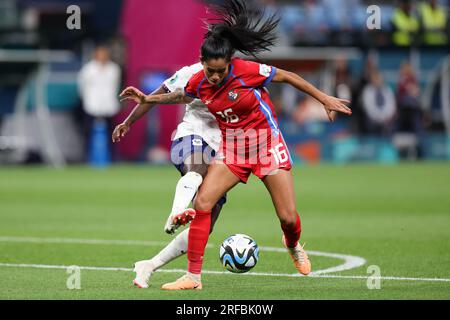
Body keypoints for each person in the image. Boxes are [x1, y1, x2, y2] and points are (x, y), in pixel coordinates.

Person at [119, 0, 352, 290]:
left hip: (266, 144)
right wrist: (147, 99)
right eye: (210, 71)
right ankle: (193, 276)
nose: (215, 77)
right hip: (233, 148)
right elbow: (180, 95)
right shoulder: (198, 80)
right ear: (203, 64)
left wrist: (325, 98)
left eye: (221, 71)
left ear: (230, 63)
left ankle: (292, 245)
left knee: (288, 218)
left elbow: (288, 77)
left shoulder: (247, 70)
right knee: (204, 202)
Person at [112, 63, 226, 288]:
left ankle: (149, 265)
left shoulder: (239, 73)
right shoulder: (189, 73)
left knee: (205, 224)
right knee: (197, 168)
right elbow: (154, 96)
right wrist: (128, 122)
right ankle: (176, 212)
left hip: (221, 149)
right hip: (191, 135)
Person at [78, 45, 121, 162]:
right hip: (92, 106)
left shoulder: (114, 69)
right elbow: (82, 87)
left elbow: (115, 87)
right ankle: (88, 158)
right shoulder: (88, 69)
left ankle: (112, 159)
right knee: (88, 134)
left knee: (113, 134)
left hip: (109, 106)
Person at [361, 72, 397, 137]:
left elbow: (391, 106)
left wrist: (385, 117)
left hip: (386, 120)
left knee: (391, 126)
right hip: (373, 120)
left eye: (378, 79)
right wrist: (379, 118)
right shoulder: (367, 91)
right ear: (372, 80)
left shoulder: (387, 90)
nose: (377, 81)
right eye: (375, 79)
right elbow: (369, 108)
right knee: (370, 124)